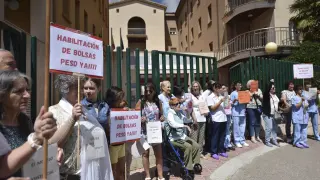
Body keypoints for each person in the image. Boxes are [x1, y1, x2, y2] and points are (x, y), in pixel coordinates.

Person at [49, 74, 113, 180]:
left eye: (81, 87)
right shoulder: (54, 111)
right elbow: (51, 144)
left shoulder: (85, 112)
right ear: (66, 89)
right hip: (67, 176)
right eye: (76, 88)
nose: (81, 92)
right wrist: (72, 118)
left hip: (90, 173)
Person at [0, 70, 58, 179]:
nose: (27, 95)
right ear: (2, 96)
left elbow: (32, 153)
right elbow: (3, 168)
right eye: (19, 91)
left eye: (27, 90)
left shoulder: (24, 121)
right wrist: (36, 138)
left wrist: (50, 152)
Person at [135, 82, 165, 180]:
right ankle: (147, 175)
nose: (148, 93)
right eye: (146, 91)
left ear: (154, 91)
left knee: (159, 155)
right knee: (145, 154)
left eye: (150, 91)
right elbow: (135, 116)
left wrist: (162, 118)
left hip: (156, 132)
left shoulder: (158, 102)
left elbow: (162, 115)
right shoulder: (141, 102)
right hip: (145, 132)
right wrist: (140, 119)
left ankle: (160, 175)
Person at [165, 98, 201, 176]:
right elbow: (173, 124)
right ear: (171, 106)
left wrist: (188, 112)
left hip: (182, 136)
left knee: (196, 146)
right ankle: (188, 167)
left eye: (179, 103)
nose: (178, 105)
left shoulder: (179, 112)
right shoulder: (170, 114)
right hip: (173, 138)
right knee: (188, 147)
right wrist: (184, 126)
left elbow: (187, 120)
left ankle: (195, 164)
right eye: (176, 104)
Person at [105, 87, 127, 180]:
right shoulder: (106, 111)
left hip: (121, 143)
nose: (122, 100)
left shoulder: (122, 109)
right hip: (113, 145)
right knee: (113, 171)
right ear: (112, 99)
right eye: (119, 98)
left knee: (122, 170)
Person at [206, 81, 228, 160]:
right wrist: (220, 101)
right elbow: (212, 108)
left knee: (222, 135)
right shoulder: (210, 97)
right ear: (214, 88)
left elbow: (226, 106)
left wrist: (226, 101)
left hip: (223, 118)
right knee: (215, 136)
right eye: (218, 88)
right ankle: (213, 151)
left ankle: (221, 150)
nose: (220, 89)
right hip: (216, 118)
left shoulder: (220, 96)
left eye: (221, 88)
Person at [189, 81, 207, 157]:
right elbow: (190, 109)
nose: (195, 88)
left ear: (199, 87)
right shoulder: (190, 96)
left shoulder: (202, 95)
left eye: (197, 86)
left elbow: (205, 105)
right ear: (192, 88)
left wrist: (206, 112)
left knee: (201, 137)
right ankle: (194, 154)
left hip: (203, 118)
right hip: (195, 118)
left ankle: (200, 152)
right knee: (194, 137)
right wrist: (194, 119)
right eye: (194, 86)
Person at [230, 82, 249, 148]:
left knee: (242, 126)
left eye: (241, 85)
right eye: (239, 85)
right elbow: (231, 104)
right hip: (236, 112)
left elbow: (246, 102)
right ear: (235, 86)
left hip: (242, 112)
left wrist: (248, 99)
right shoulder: (233, 93)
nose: (240, 86)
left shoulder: (243, 93)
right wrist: (235, 100)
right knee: (236, 127)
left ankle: (242, 140)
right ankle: (237, 141)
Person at [262, 82, 280, 147]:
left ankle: (274, 140)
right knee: (269, 128)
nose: (274, 88)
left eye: (274, 87)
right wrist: (271, 82)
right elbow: (266, 91)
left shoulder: (275, 95)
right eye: (272, 87)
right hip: (267, 114)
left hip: (275, 114)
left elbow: (278, 103)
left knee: (275, 128)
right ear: (269, 88)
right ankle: (267, 141)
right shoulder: (266, 95)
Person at [221, 85, 235, 151]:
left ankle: (228, 143)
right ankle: (224, 144)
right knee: (224, 130)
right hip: (223, 115)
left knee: (228, 130)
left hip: (229, 114)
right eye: (222, 88)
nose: (223, 89)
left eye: (224, 88)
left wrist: (232, 101)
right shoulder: (220, 96)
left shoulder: (228, 96)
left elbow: (230, 104)